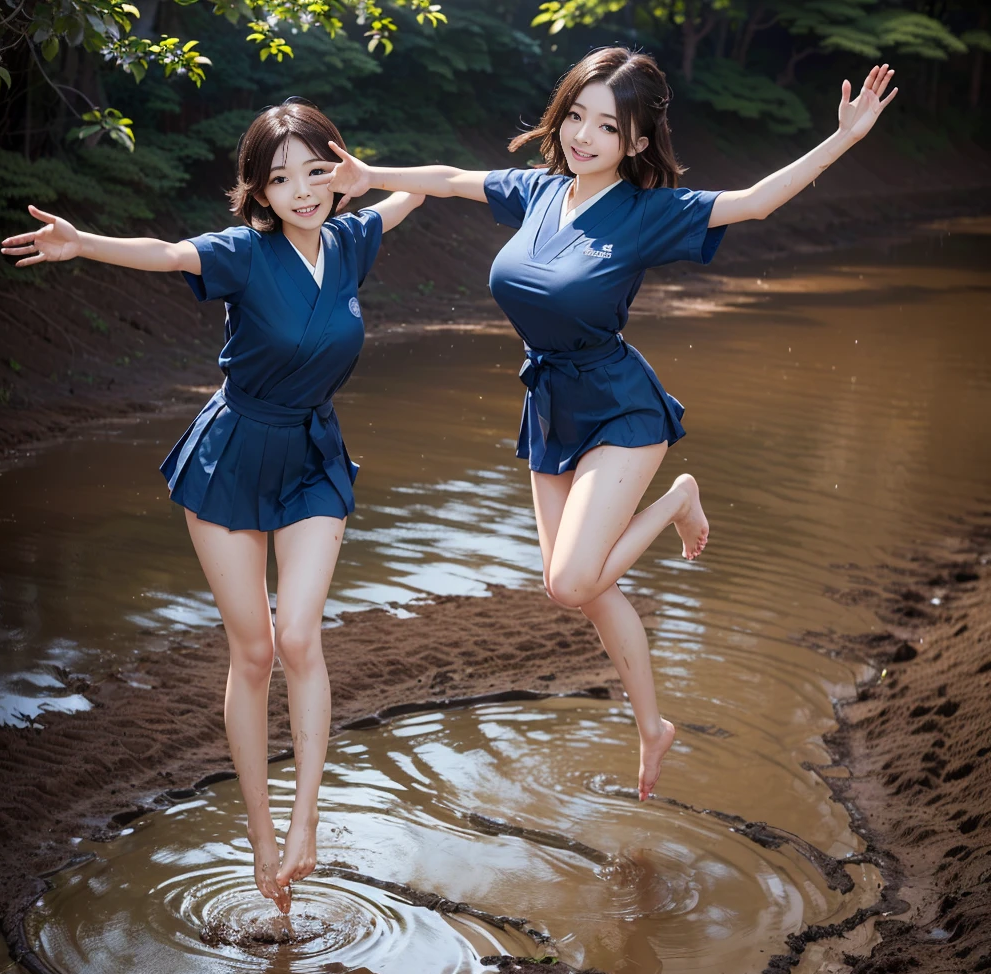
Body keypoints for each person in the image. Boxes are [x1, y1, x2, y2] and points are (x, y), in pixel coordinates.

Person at [320, 48, 897, 801]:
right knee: (590, 591)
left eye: (607, 127)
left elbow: (756, 201)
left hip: (621, 409)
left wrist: (847, 138)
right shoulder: (538, 191)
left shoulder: (647, 211)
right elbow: (453, 180)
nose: (584, 138)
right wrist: (371, 176)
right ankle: (652, 725)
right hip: (551, 406)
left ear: (635, 142)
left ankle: (676, 497)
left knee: (569, 583)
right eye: (576, 119)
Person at [0, 98, 425, 913]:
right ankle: (262, 839)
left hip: (312, 457)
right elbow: (164, 253)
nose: (302, 191)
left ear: (338, 174)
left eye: (315, 172)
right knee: (255, 653)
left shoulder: (351, 240)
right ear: (258, 193)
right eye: (281, 178)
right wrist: (81, 242)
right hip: (232, 455)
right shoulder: (242, 253)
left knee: (300, 635)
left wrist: (401, 179)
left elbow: (414, 196)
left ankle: (306, 827)